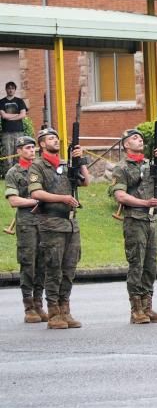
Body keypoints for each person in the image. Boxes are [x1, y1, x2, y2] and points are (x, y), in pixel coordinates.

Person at [28, 126, 89, 329]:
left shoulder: (65, 164)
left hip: (71, 223)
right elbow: (36, 193)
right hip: (51, 222)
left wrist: (79, 162)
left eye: (56, 138)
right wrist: (62, 198)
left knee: (69, 268)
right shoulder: (38, 166)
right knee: (53, 268)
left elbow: (86, 182)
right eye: (50, 138)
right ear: (42, 144)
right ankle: (53, 311)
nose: (55, 140)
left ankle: (65, 309)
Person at [109, 128, 157, 324]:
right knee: (137, 264)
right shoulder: (122, 167)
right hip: (135, 219)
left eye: (141, 138)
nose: (139, 140)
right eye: (134, 138)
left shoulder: (148, 164)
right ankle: (136, 309)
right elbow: (120, 195)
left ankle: (147, 306)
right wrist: (145, 203)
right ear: (126, 144)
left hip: (152, 220)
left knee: (150, 264)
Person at [4, 135, 44, 323]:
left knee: (43, 263)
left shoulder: (41, 169)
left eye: (32, 148)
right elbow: (13, 200)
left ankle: (39, 304)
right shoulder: (14, 172)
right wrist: (35, 200)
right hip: (27, 222)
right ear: (19, 150)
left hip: (44, 222)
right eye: (26, 148)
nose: (31, 151)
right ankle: (29, 307)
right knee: (29, 263)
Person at [1, 81, 28, 176]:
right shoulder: (2, 102)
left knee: (19, 152)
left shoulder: (19, 101)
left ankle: (19, 173)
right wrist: (17, 115)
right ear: (6, 89)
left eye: (12, 88)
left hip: (19, 131)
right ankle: (8, 174)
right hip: (6, 132)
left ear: (15, 90)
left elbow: (23, 115)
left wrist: (10, 117)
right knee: (7, 154)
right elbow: (3, 116)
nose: (10, 90)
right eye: (9, 88)